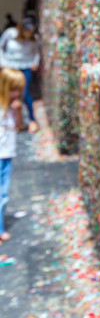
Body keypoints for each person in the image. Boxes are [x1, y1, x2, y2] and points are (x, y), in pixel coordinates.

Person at [0, 17, 40, 133]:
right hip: (9, 66)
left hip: (26, 66)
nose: (27, 34)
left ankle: (32, 120)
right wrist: (2, 62)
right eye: (26, 31)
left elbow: (36, 52)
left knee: (25, 93)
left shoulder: (34, 39)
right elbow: (0, 47)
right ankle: (9, 119)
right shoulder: (10, 33)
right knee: (7, 92)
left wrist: (35, 63)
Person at [0, 68, 25, 244]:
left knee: (4, 195)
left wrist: (17, 111)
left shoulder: (12, 107)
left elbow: (19, 127)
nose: (17, 93)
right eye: (14, 89)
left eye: (19, 89)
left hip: (7, 156)